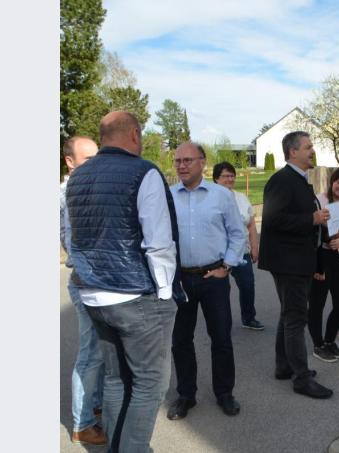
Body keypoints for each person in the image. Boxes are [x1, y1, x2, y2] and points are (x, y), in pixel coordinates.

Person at [66, 111, 181, 452]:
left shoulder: (77, 177)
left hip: (94, 296)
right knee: (150, 384)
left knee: (116, 379)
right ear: (133, 134)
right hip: (136, 297)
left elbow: (75, 239)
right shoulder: (142, 172)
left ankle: (118, 445)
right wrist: (164, 294)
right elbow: (159, 242)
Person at [168, 143, 247, 420]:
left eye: (188, 160)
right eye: (177, 160)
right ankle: (186, 395)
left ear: (203, 162)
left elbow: (238, 233)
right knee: (180, 340)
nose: (182, 165)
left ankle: (225, 393)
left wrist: (227, 265)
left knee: (221, 337)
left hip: (214, 277)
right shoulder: (168, 197)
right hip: (180, 279)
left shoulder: (221, 196)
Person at [259, 131, 334, 399]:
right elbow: (273, 220)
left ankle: (284, 366)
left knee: (289, 314)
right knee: (295, 318)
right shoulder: (282, 180)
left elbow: (298, 216)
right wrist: (311, 219)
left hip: (298, 259)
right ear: (293, 152)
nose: (312, 151)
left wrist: (317, 220)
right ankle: (301, 377)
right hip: (288, 261)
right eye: (309, 147)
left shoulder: (300, 180)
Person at [61, 136, 104, 446]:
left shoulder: (88, 187)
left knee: (99, 350)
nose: (95, 164)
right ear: (70, 162)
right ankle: (83, 423)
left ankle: (94, 403)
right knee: (89, 354)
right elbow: (72, 243)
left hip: (96, 281)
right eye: (88, 159)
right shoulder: (68, 193)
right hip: (86, 281)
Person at [309, 166, 339, 362]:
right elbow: (310, 228)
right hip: (320, 257)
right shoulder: (319, 200)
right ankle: (318, 344)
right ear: (332, 181)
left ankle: (330, 340)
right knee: (317, 304)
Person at [212, 161, 265, 331]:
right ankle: (222, 321)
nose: (229, 179)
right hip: (218, 254)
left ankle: (248, 318)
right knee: (221, 290)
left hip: (241, 252)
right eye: (225, 176)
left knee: (248, 285)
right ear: (215, 179)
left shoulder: (242, 198)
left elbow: (251, 225)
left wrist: (255, 247)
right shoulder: (210, 200)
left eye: (232, 176)